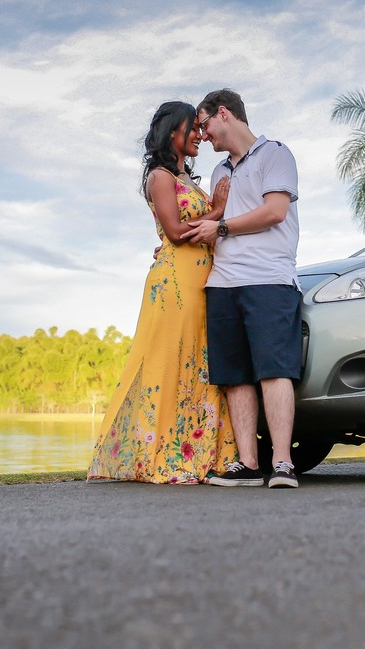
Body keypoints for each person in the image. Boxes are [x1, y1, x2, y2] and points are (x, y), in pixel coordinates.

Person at [87, 101, 236, 483]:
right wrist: (217, 211)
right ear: (173, 132)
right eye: (192, 129)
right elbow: (174, 232)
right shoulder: (159, 177)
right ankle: (161, 456)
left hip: (204, 280)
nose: (199, 136)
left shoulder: (188, 181)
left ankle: (203, 454)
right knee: (171, 363)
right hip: (175, 283)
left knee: (200, 365)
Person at [183, 89, 303, 489]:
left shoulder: (275, 154)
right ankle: (249, 465)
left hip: (269, 278)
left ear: (223, 113)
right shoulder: (219, 173)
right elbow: (213, 225)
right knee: (234, 376)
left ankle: (282, 463)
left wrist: (220, 227)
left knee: (273, 370)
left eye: (204, 125)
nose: (202, 136)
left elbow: (275, 211)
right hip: (222, 282)